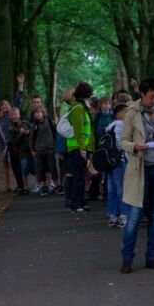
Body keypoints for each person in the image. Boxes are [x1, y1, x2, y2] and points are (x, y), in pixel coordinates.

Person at [120, 78, 154, 274]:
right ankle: (127, 259)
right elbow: (123, 141)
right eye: (151, 96)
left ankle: (152, 257)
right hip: (139, 170)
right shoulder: (132, 113)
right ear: (142, 94)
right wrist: (135, 146)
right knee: (134, 216)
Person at [64, 82, 95, 213]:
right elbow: (79, 130)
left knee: (80, 177)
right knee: (78, 178)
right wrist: (82, 148)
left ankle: (79, 203)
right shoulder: (79, 108)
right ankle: (76, 204)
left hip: (79, 147)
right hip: (77, 148)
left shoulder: (80, 107)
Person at [105, 103, 129, 228]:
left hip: (109, 162)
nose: (128, 114)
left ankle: (113, 215)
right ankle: (124, 214)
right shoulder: (120, 125)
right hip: (120, 161)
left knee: (112, 189)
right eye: (126, 112)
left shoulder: (110, 126)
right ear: (118, 113)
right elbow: (121, 144)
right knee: (121, 189)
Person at [30, 105, 58, 196]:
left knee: (52, 168)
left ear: (43, 113)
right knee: (40, 169)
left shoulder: (49, 121)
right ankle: (43, 187)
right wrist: (32, 149)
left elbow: (55, 133)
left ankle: (55, 185)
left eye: (39, 112)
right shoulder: (34, 125)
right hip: (39, 150)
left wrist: (55, 146)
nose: (37, 114)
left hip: (50, 149)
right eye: (35, 113)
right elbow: (31, 138)